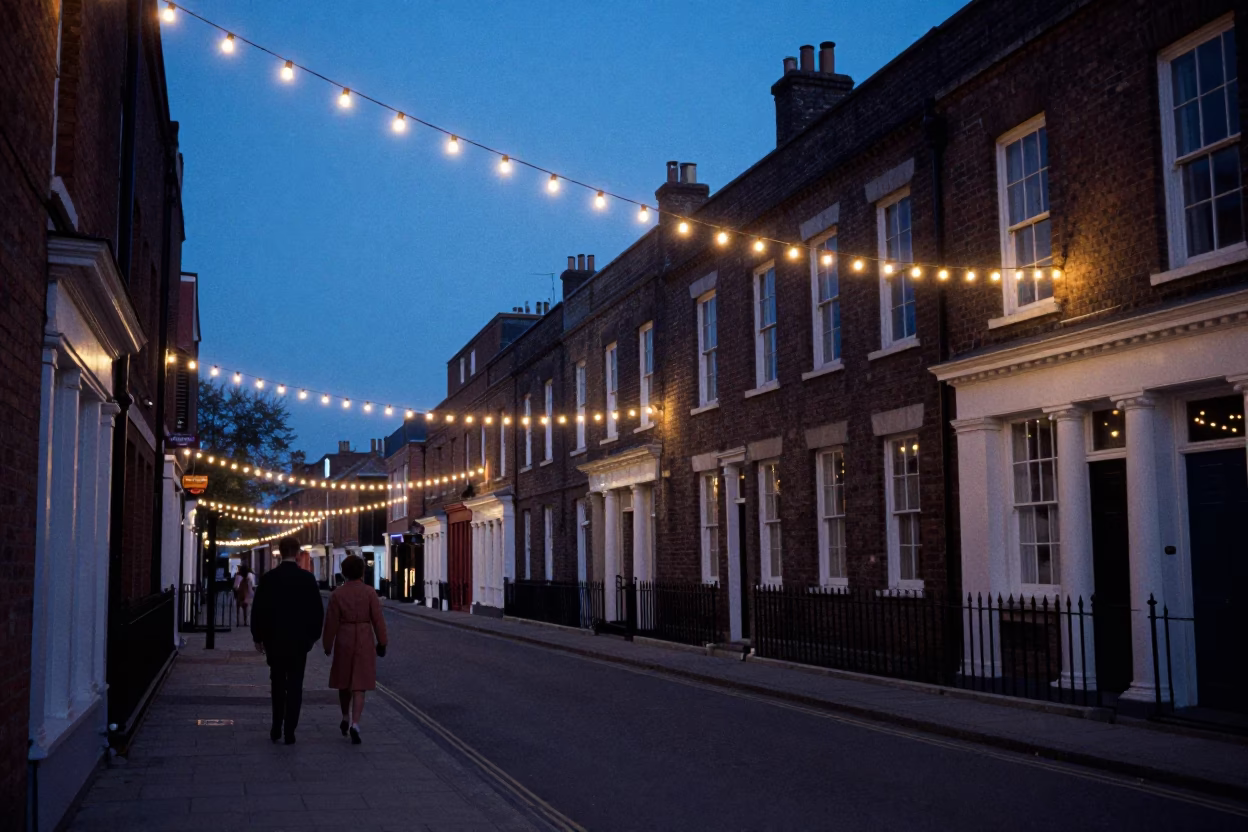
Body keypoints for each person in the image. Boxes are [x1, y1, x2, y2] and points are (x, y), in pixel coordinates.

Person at [250, 536, 324, 744]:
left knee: (277, 682)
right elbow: (317, 612)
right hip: (299, 642)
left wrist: (257, 636)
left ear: (281, 553)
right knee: (295, 685)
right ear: (298, 554)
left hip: (275, 640)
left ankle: (276, 726)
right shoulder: (307, 579)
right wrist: (312, 637)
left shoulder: (269, 578)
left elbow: (259, 609)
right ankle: (290, 730)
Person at [322, 554, 388, 745]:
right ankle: (355, 723)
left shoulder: (337, 594)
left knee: (344, 682)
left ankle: (344, 716)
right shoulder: (369, 593)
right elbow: (378, 620)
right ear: (362, 572)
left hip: (344, 637)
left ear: (343, 573)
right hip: (364, 639)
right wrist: (382, 642)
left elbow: (331, 622)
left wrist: (328, 645)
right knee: (360, 685)